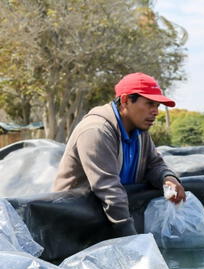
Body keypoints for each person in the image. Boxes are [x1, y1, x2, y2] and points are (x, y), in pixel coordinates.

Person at [53, 72, 185, 236]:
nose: (155, 111)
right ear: (125, 100)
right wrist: (133, 241)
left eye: (157, 105)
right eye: (150, 103)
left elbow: (154, 164)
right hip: (74, 226)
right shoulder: (97, 131)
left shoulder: (139, 132)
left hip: (111, 220)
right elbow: (109, 190)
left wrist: (168, 178)